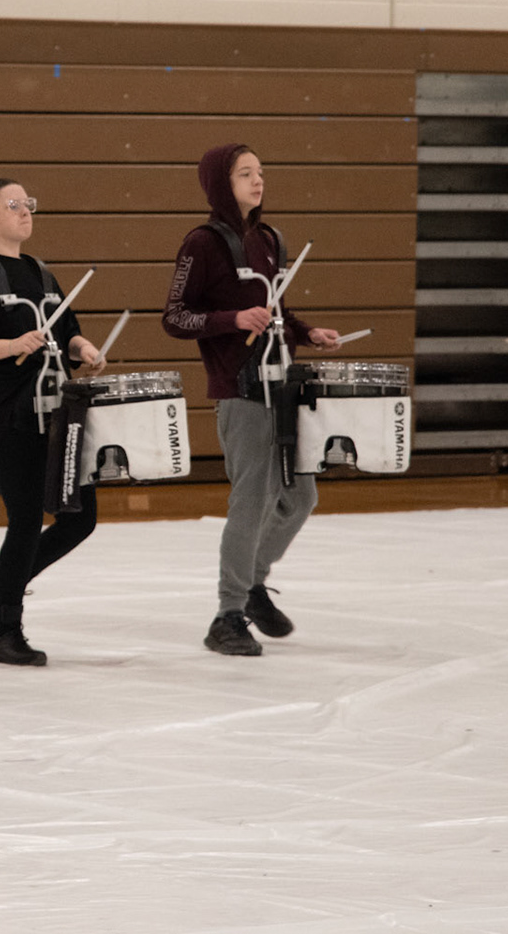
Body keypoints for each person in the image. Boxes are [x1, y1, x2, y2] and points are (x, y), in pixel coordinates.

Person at [163, 145, 340, 657]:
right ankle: (228, 614)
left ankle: (253, 583)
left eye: (260, 172)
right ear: (221, 183)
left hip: (282, 387)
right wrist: (232, 320)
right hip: (239, 390)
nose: (257, 181)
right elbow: (175, 316)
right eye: (245, 174)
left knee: (301, 498)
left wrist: (307, 333)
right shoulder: (201, 243)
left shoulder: (270, 240)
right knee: (252, 501)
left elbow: (276, 309)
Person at [0, 178, 104, 667]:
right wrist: (11, 346)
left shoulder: (40, 272)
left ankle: (6, 581)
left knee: (80, 517)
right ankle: (5, 633)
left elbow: (66, 332)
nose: (25, 210)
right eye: (13, 205)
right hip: (8, 413)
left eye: (28, 203)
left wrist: (84, 348)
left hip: (58, 411)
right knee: (27, 519)